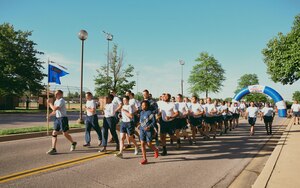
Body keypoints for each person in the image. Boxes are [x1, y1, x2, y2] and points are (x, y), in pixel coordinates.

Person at [46, 90, 77, 155]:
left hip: (63, 118)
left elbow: (55, 108)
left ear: (61, 94)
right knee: (54, 132)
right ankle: (53, 148)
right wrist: (50, 115)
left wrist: (50, 103)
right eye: (55, 94)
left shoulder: (61, 101)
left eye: (57, 94)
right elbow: (55, 111)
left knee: (65, 133)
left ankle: (73, 142)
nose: (56, 95)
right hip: (57, 118)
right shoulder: (56, 101)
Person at [139, 100, 159, 164]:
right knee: (142, 143)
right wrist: (139, 125)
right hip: (142, 130)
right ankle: (144, 159)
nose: (142, 106)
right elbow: (141, 121)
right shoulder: (141, 112)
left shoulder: (150, 113)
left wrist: (149, 127)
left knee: (149, 144)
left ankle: (155, 150)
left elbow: (153, 122)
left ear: (147, 106)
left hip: (149, 130)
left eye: (144, 105)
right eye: (142, 105)